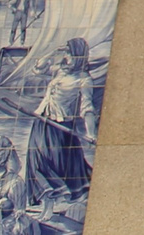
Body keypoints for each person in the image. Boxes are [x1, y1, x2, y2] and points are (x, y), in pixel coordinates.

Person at [22, 37, 99, 205]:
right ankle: (44, 202)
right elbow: (38, 68)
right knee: (36, 161)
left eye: (69, 53)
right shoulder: (60, 70)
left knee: (58, 165)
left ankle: (57, 199)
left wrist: (91, 133)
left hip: (60, 127)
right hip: (41, 122)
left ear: (78, 56)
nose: (66, 57)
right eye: (66, 52)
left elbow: (87, 108)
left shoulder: (84, 79)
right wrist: (53, 52)